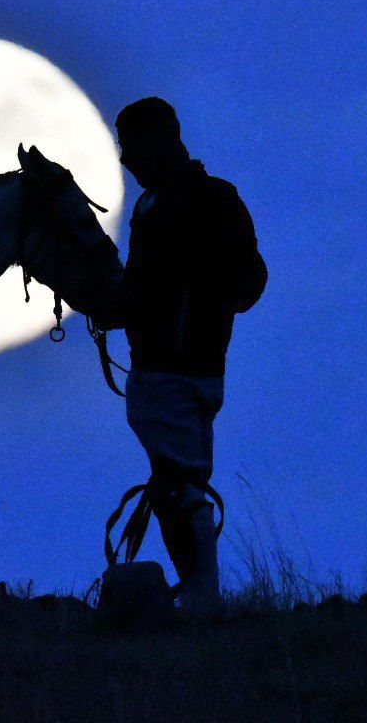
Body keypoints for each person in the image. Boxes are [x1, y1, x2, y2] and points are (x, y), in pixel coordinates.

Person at [96, 97, 267, 619]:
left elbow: (150, 290)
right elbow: (251, 280)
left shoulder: (170, 207)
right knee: (177, 479)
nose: (128, 161)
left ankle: (201, 595)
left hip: (169, 369)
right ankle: (197, 591)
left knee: (177, 484)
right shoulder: (212, 199)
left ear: (159, 144)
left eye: (132, 150)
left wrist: (133, 306)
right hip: (201, 368)